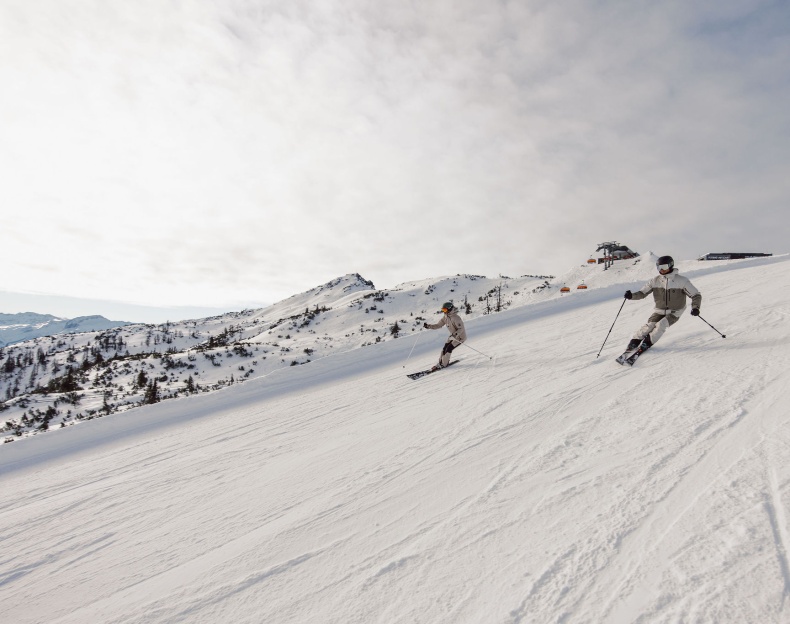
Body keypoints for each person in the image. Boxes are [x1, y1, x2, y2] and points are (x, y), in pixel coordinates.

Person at [623, 255, 702, 352]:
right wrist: (631, 296)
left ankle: (647, 342)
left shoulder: (682, 281)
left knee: (661, 325)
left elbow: (696, 295)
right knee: (649, 325)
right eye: (659, 267)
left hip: (675, 311)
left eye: (664, 267)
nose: (662, 270)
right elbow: (642, 293)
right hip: (659, 310)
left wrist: (695, 308)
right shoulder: (655, 280)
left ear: (671, 265)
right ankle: (634, 341)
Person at [423, 301, 467, 369]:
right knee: (444, 348)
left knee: (449, 348)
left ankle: (444, 364)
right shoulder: (445, 317)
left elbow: (461, 329)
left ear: (449, 309)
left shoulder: (456, 318)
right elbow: (438, 325)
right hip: (452, 336)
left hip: (460, 337)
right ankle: (440, 363)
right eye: (443, 310)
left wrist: (455, 335)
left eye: (445, 310)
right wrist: (429, 326)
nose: (444, 311)